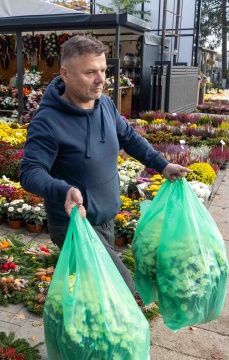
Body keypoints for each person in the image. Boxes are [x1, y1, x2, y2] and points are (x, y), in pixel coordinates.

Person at [20, 36, 191, 296]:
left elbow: (129, 138)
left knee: (96, 296)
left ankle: (89, 331)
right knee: (122, 290)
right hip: (75, 224)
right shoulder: (48, 121)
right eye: (90, 72)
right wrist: (63, 190)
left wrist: (162, 164)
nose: (101, 79)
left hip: (106, 216)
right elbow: (29, 172)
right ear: (65, 74)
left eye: (103, 70)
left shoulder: (105, 104)